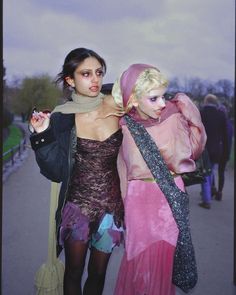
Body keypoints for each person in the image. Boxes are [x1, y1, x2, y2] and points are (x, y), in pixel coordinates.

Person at [29, 47, 124, 295]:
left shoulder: (118, 108)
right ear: (70, 80)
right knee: (74, 271)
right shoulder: (62, 119)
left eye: (99, 72)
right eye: (85, 74)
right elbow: (57, 172)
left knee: (99, 273)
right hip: (77, 209)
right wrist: (42, 135)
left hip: (111, 210)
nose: (94, 79)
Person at [111, 64, 207, 295]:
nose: (162, 103)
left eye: (163, 96)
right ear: (133, 99)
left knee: (164, 260)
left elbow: (195, 147)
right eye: (153, 98)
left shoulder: (173, 116)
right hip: (137, 202)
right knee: (138, 260)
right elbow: (122, 168)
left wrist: (188, 111)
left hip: (168, 199)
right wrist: (123, 204)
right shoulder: (124, 125)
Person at [199, 94, 228, 209]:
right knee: (210, 172)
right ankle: (209, 193)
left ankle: (207, 200)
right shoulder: (221, 115)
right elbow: (225, 136)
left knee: (205, 173)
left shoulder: (201, 114)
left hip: (205, 147)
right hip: (217, 149)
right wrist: (225, 152)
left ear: (206, 102)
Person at [211, 102, 233, 201]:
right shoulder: (230, 125)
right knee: (221, 172)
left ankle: (213, 188)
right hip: (225, 151)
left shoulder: (218, 123)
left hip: (217, 150)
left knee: (211, 170)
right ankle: (219, 192)